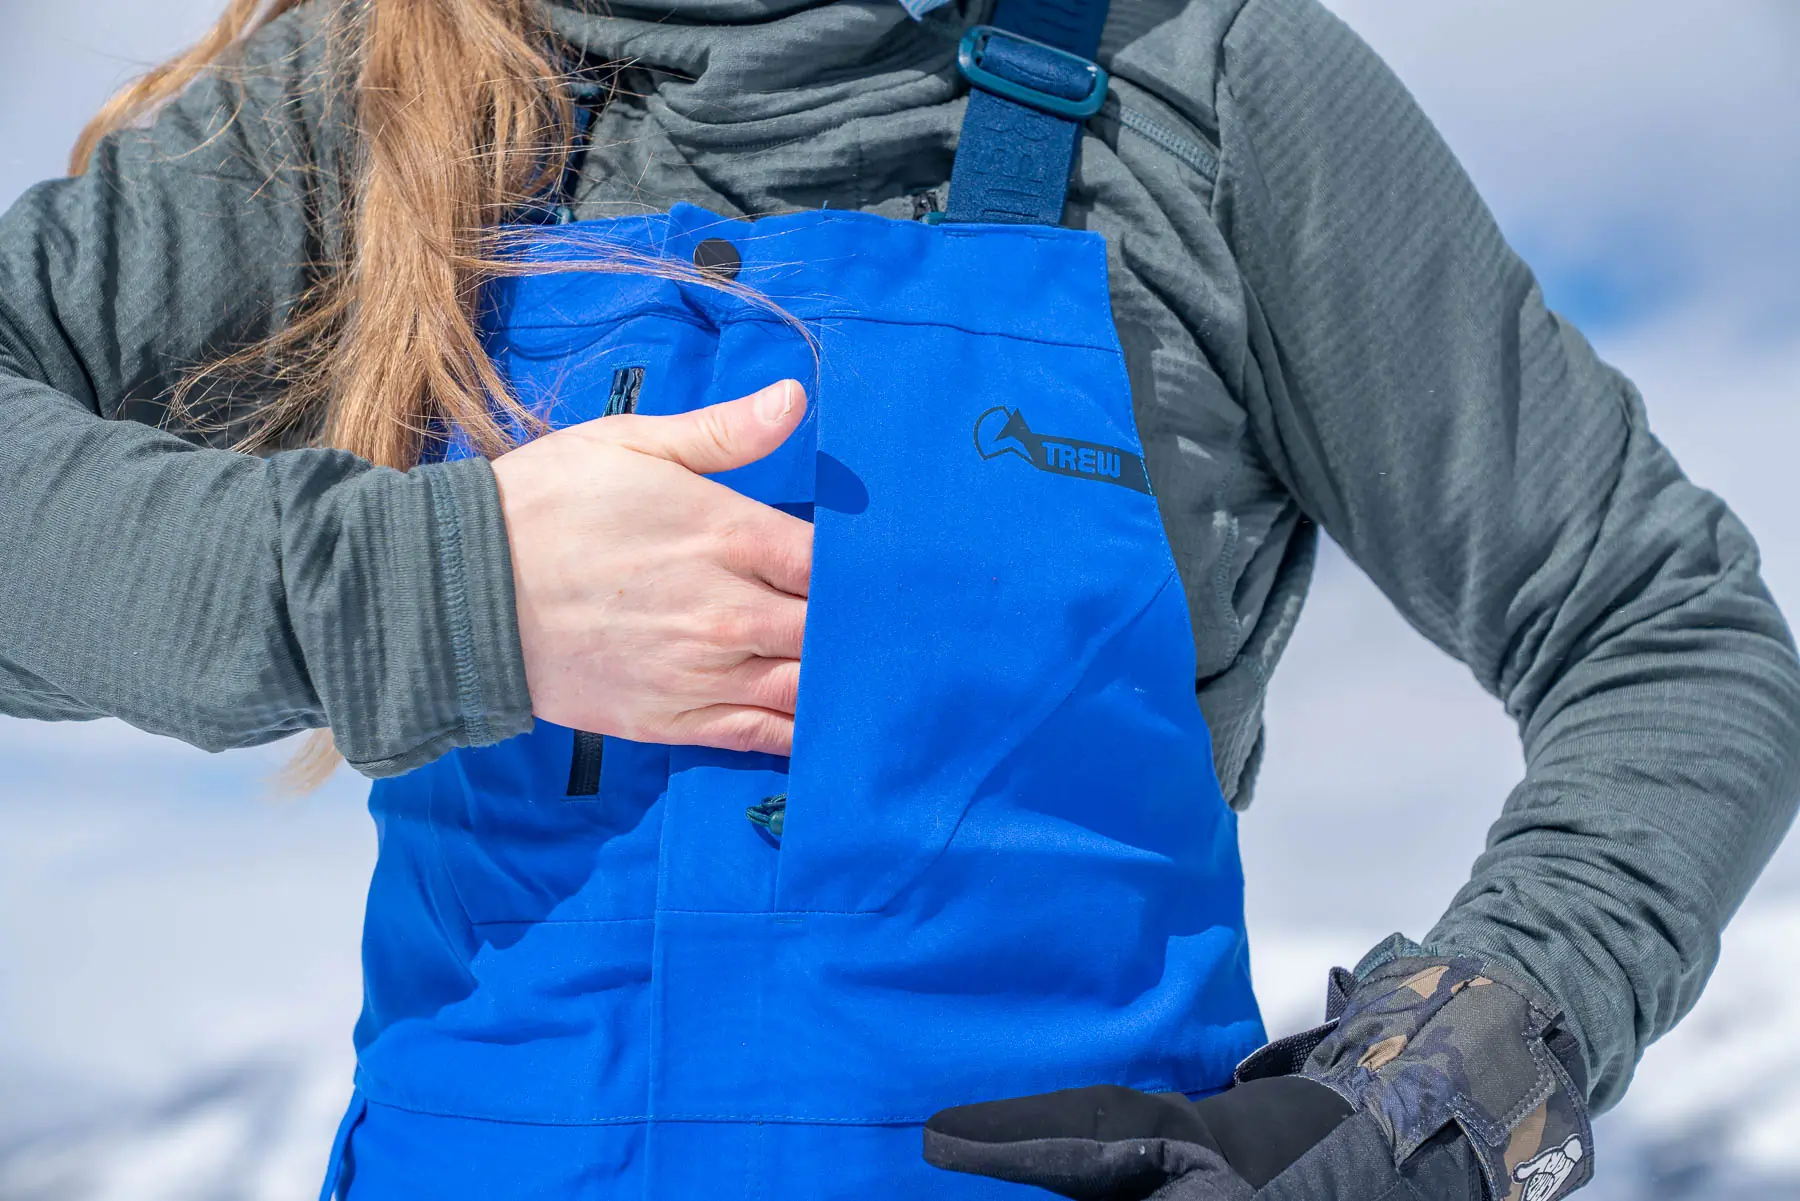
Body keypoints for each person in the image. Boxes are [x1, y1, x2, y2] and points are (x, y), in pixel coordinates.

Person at [1, 0, 1795, 1198]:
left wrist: (1436, 1096)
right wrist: (441, 593)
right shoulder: (370, 93)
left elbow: (1668, 634)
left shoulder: (1220, 90)